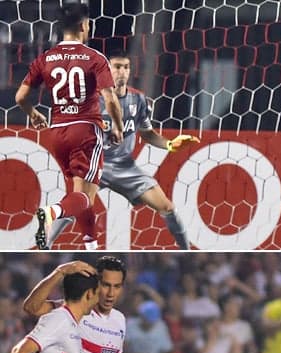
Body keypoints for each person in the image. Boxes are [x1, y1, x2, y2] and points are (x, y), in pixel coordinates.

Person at [46, 51, 199, 250]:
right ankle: (46, 243)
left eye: (126, 67)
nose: (122, 72)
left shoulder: (139, 99)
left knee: (167, 207)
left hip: (125, 167)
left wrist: (170, 144)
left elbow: (148, 133)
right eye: (117, 67)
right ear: (107, 70)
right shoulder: (90, 99)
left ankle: (186, 250)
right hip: (95, 164)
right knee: (78, 205)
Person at [15, 3, 123, 250]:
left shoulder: (46, 58)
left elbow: (20, 97)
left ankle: (91, 243)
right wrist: (117, 127)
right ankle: (52, 212)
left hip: (58, 132)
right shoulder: (95, 58)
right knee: (85, 196)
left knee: (81, 194)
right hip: (86, 130)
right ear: (85, 26)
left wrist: (32, 113)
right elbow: (110, 98)